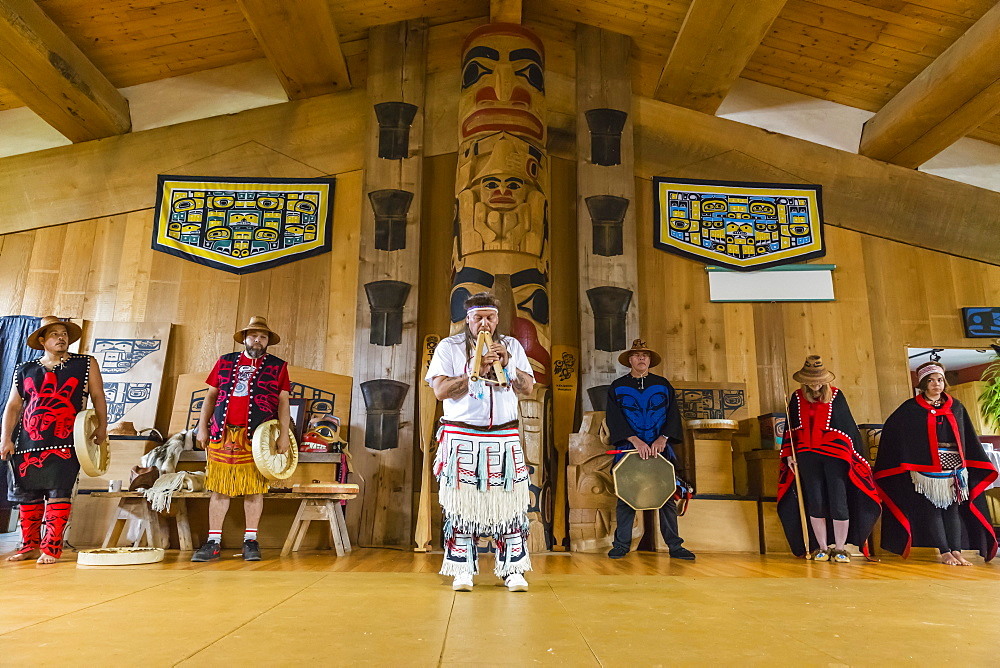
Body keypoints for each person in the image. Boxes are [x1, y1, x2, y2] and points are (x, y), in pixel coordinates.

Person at [427, 292, 535, 592]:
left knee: (510, 504)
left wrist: (507, 364)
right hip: (462, 434)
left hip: (504, 435)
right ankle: (462, 570)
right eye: (478, 318)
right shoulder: (449, 347)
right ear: (468, 320)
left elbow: (528, 387)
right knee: (463, 505)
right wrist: (477, 371)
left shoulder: (511, 346)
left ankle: (512, 569)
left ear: (497, 319)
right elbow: (441, 390)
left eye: (490, 317)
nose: (484, 323)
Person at [1, 316, 107, 563]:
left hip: (66, 440)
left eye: (64, 333)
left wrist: (102, 426)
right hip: (28, 440)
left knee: (59, 493)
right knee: (29, 496)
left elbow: (98, 396)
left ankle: (51, 548)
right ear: (42, 341)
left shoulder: (85, 364)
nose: (62, 337)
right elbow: (13, 406)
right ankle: (29, 545)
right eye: (54, 334)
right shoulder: (25, 369)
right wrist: (5, 438)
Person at [874, 361, 997, 565]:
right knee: (933, 509)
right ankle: (944, 551)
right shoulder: (911, 408)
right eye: (931, 381)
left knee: (953, 509)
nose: (936, 384)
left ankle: (957, 551)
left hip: (954, 467)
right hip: (925, 470)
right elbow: (893, 430)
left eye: (939, 380)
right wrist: (907, 458)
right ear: (923, 384)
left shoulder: (956, 406)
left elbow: (966, 435)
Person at [192, 316, 291, 562]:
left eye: (263, 336)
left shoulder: (278, 366)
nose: (258, 340)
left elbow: (283, 402)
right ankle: (213, 542)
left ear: (268, 341)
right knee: (219, 488)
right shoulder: (225, 362)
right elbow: (211, 396)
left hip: (257, 438)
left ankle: (250, 541)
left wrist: (284, 435)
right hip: (222, 434)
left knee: (254, 489)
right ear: (244, 338)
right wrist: (201, 427)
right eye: (253, 335)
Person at [777, 356, 880, 562]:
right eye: (810, 381)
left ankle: (840, 548)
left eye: (818, 380)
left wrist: (846, 453)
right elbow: (791, 429)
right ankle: (822, 547)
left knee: (838, 500)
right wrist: (788, 454)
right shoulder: (797, 397)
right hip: (806, 456)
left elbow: (846, 428)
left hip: (835, 457)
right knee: (815, 501)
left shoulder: (836, 396)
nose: (814, 385)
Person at [605, 339, 695, 561]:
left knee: (666, 496)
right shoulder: (617, 387)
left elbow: (673, 414)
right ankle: (621, 544)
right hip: (629, 448)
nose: (641, 358)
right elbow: (614, 418)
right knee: (626, 495)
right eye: (636, 355)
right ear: (630, 360)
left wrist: (662, 438)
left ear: (650, 360)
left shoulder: (663, 385)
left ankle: (674, 545)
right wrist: (635, 440)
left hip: (659, 448)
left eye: (645, 355)